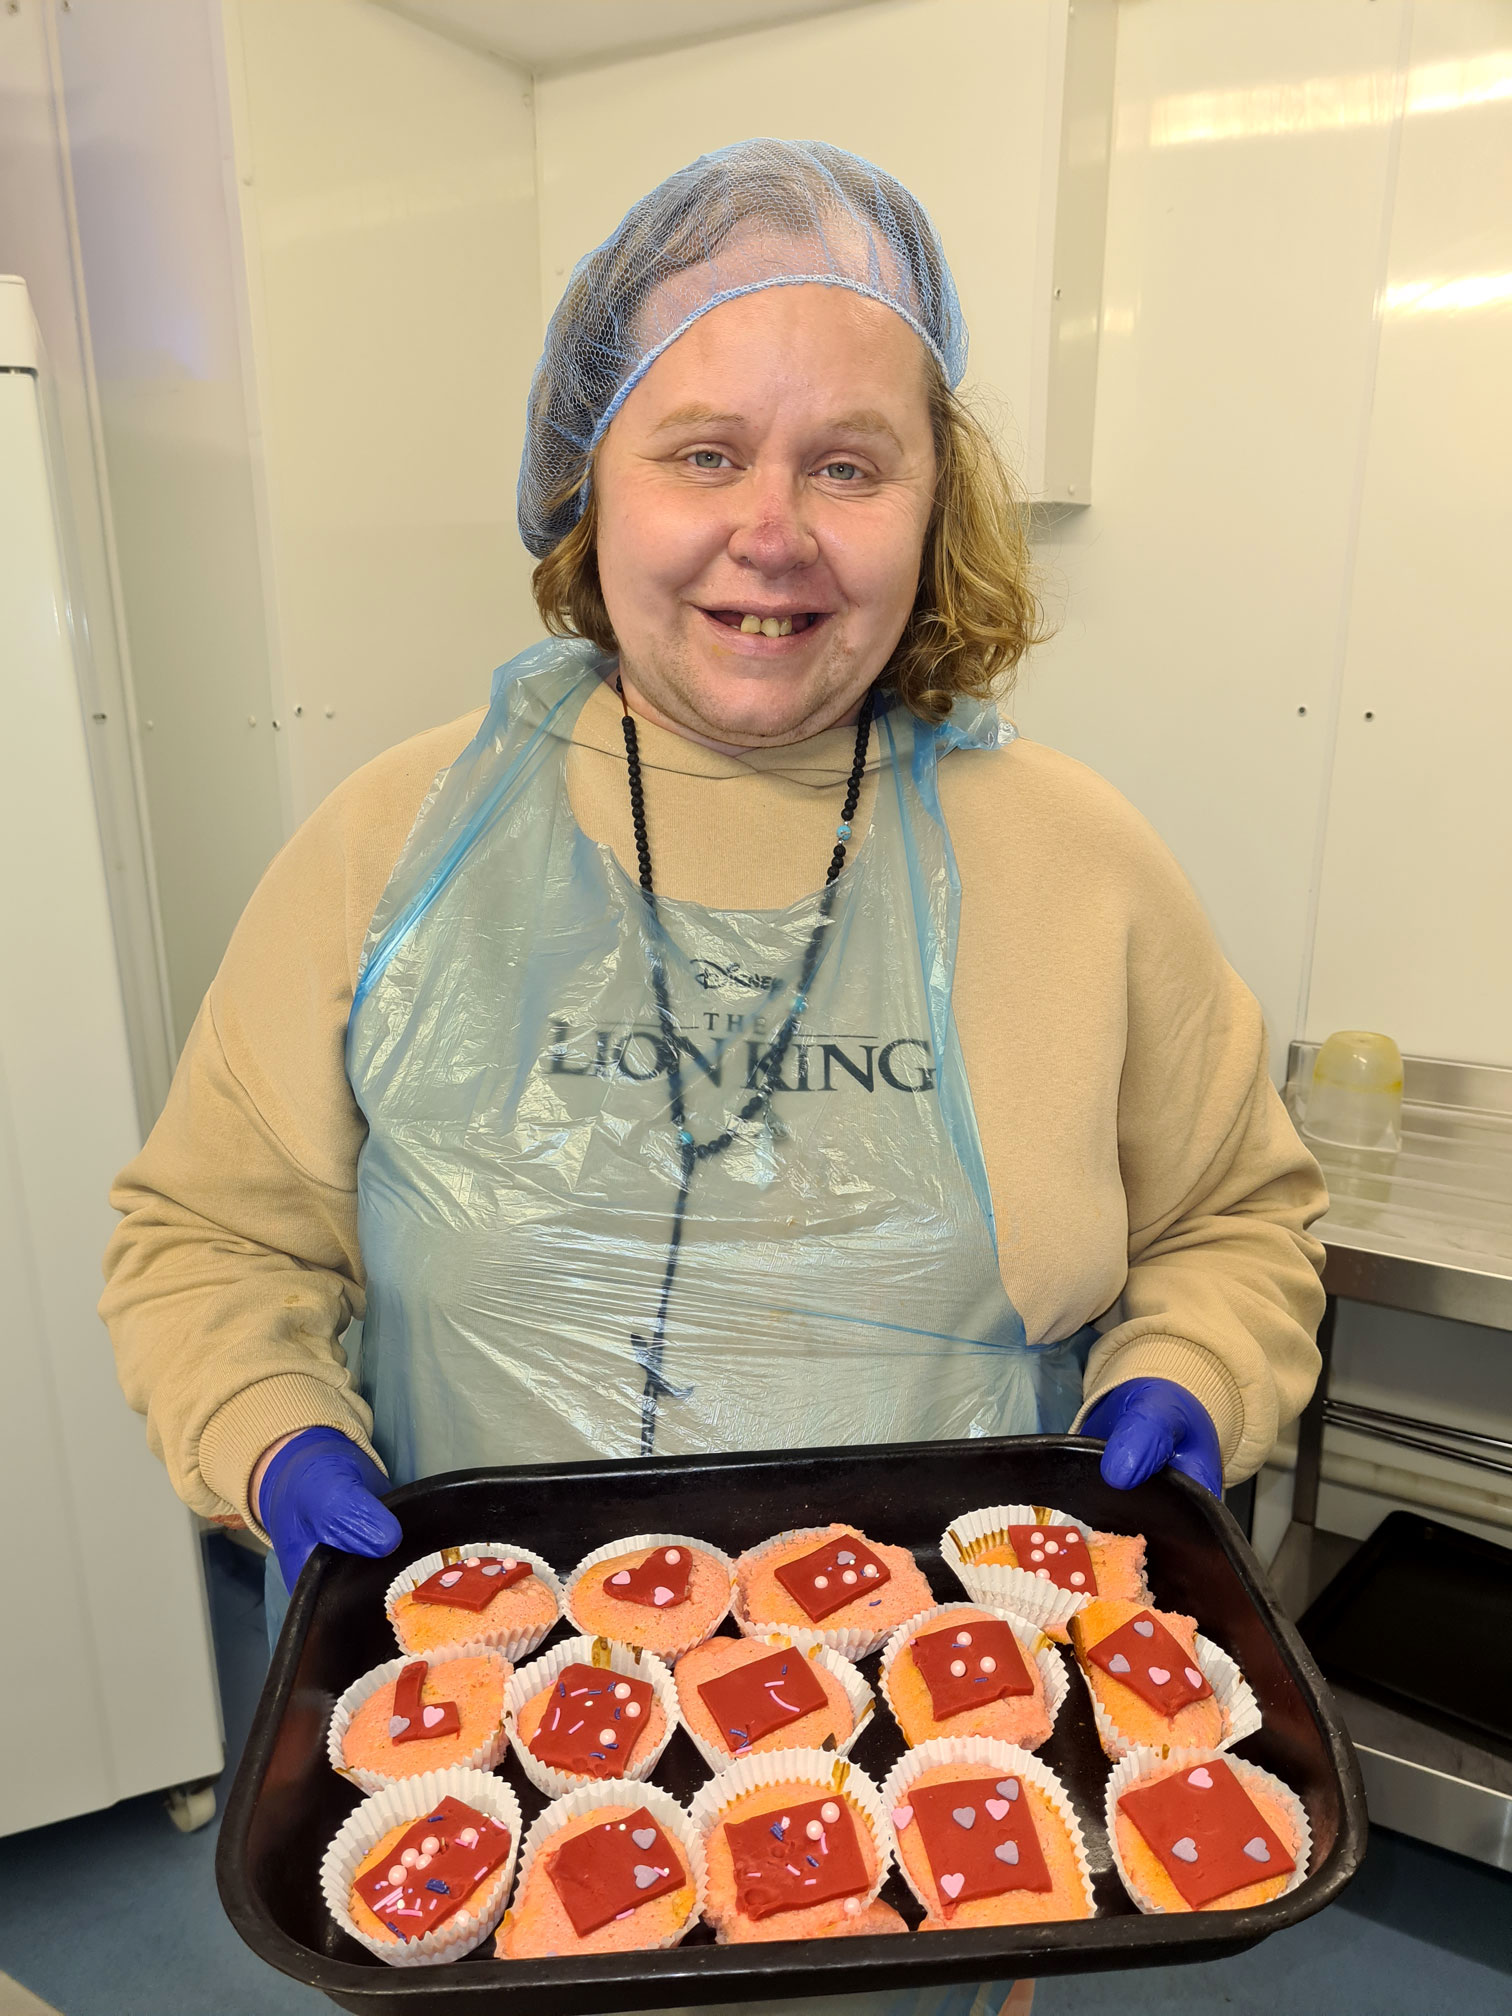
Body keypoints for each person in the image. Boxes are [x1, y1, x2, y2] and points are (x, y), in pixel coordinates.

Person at [101, 141, 1324, 2014]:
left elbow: (1233, 1217)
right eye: (701, 452)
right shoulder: (397, 844)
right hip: (487, 1769)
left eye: (849, 463)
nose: (776, 529)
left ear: (935, 504)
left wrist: (1195, 1367)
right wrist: (267, 1426)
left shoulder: (1078, 864)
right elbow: (206, 1233)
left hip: (937, 1772)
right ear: (586, 488)